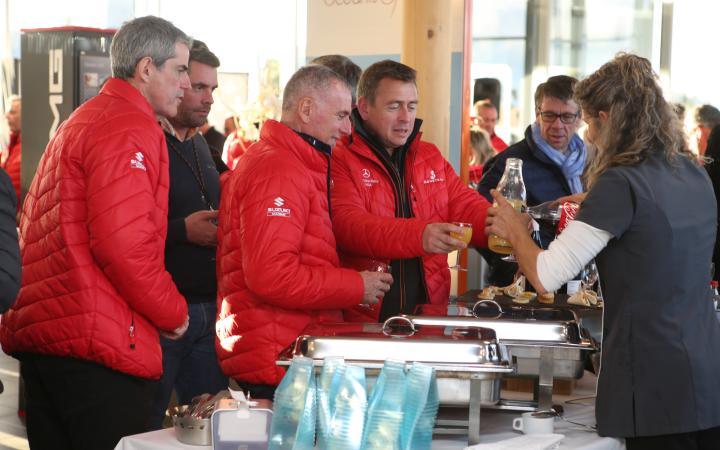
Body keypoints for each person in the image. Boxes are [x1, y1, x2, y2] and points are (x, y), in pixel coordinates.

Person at [486, 53, 720, 449]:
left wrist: (512, 225)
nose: (588, 135)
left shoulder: (620, 183)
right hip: (706, 368)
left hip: (651, 377)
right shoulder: (691, 171)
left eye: (590, 122)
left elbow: (546, 274)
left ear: (609, 119)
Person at [0, 16, 191, 450]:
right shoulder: (126, 126)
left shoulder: (88, 118)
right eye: (179, 70)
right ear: (146, 69)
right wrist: (174, 314)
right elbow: (123, 247)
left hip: (53, 337)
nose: (185, 83)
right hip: (95, 347)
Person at [216, 65, 392, 399]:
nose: (347, 128)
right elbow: (271, 275)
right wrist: (356, 286)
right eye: (341, 115)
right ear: (306, 109)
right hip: (276, 361)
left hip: (286, 353)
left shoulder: (293, 162)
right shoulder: (278, 169)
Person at [331, 60, 492, 322]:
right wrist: (420, 235)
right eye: (394, 106)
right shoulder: (340, 156)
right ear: (364, 107)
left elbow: (465, 204)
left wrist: (505, 225)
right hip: (364, 318)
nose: (406, 118)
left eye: (412, 106)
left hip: (427, 317)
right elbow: (348, 226)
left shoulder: (429, 155)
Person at [148, 39, 227, 430]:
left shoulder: (201, 147)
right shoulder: (146, 141)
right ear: (176, 81)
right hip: (160, 314)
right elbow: (119, 231)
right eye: (199, 86)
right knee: (143, 425)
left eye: (213, 89)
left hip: (208, 309)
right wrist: (181, 231)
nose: (208, 98)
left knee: (207, 426)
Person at [478, 75, 587, 286]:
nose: (557, 125)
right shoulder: (511, 163)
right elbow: (483, 220)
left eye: (566, 116)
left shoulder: (591, 161)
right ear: (537, 113)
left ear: (579, 117)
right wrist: (512, 267)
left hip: (576, 283)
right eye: (549, 115)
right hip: (525, 286)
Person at [2, 96, 21, 209]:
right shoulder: (10, 147)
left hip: (14, 215)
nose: (7, 116)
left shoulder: (27, 148)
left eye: (12, 113)